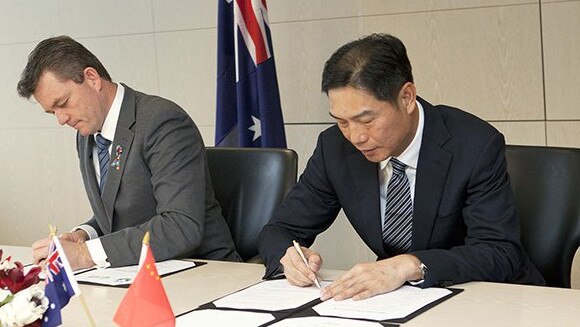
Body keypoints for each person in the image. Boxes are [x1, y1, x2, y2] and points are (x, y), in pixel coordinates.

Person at [258, 33, 544, 301]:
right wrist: (289, 256)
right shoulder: (335, 148)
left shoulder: (474, 145)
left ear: (406, 97)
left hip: (490, 299)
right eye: (342, 121)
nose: (356, 137)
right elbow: (280, 229)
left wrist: (412, 265)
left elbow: (500, 252)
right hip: (399, 302)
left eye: (367, 120)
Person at [18, 36, 240, 270]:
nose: (61, 120)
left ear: (92, 78)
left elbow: (181, 226)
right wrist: (87, 234)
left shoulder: (163, 122)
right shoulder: (86, 134)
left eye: (62, 103)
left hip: (205, 270)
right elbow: (123, 213)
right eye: (52, 113)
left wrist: (86, 254)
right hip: (136, 272)